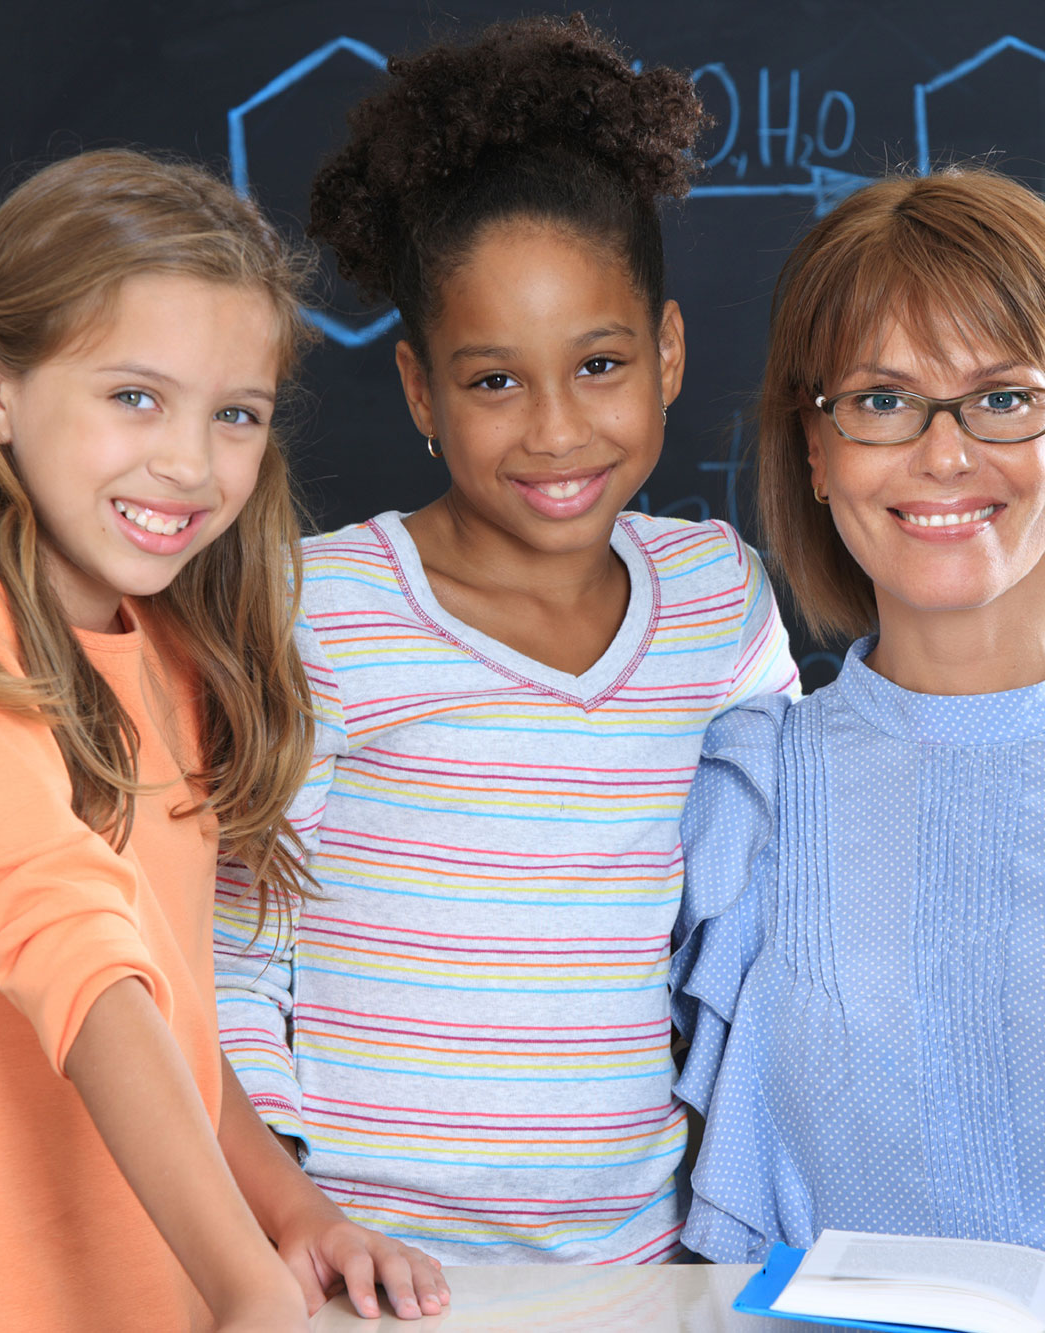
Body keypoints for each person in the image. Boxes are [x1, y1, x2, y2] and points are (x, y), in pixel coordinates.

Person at [0, 149, 446, 1332]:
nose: (190, 463)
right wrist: (251, 1282)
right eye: (134, 396)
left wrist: (291, 1215)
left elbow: (174, 1020)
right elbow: (76, 946)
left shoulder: (171, 653)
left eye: (236, 414)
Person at [212, 16, 799, 1265]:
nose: (554, 429)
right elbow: (232, 951)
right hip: (364, 1259)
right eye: (492, 381)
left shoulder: (717, 599)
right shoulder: (321, 606)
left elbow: (753, 908)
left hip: (637, 1264)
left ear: (670, 352)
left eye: (598, 363)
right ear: (420, 389)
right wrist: (293, 1220)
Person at [669, 165, 1045, 1263]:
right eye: (880, 400)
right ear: (814, 447)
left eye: (1001, 397)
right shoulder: (749, 787)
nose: (943, 454)